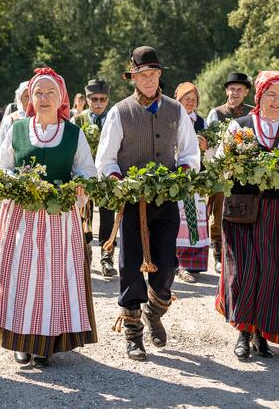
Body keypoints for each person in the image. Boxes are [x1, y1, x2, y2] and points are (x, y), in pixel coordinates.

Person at [95, 46, 200, 361]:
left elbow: (190, 152)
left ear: (159, 76)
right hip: (130, 202)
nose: (149, 79)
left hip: (165, 199)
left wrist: (181, 173)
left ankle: (153, 311)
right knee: (129, 267)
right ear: (133, 77)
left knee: (167, 265)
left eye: (154, 74)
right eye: (143, 75)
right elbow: (106, 159)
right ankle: (133, 335)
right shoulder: (119, 112)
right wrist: (118, 181)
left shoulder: (175, 110)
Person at [0, 67, 97, 367]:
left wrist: (71, 191)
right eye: (38, 92)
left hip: (59, 221)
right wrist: (20, 185)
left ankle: (44, 345)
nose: (44, 98)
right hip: (22, 219)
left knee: (53, 279)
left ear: (61, 97)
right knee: (19, 277)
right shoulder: (18, 129)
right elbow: (1, 167)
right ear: (30, 98)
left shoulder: (73, 134)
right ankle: (19, 342)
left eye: (50, 92)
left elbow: (87, 173)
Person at [215, 70, 279, 361]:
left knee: (272, 271)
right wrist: (239, 168)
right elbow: (222, 163)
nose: (277, 100)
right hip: (244, 210)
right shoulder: (240, 127)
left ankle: (261, 333)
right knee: (243, 270)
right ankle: (243, 332)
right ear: (259, 96)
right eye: (271, 94)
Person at [205, 72, 254, 274]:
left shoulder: (253, 113)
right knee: (219, 211)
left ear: (246, 92)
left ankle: (242, 252)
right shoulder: (216, 113)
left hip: (245, 171)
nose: (235, 93)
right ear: (226, 91)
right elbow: (210, 144)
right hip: (222, 170)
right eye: (232, 89)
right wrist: (217, 167)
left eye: (239, 89)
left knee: (245, 209)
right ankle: (218, 254)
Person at [72, 78, 117, 277]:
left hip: (107, 175)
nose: (99, 103)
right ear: (88, 99)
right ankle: (85, 250)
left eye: (103, 99)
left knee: (108, 215)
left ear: (107, 100)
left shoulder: (114, 118)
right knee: (84, 213)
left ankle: (107, 256)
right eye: (94, 99)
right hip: (84, 173)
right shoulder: (78, 119)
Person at [173, 82, 210, 283]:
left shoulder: (201, 122)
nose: (191, 101)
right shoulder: (173, 118)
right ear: (178, 100)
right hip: (177, 177)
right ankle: (178, 263)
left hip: (196, 178)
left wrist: (205, 147)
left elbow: (211, 152)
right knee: (178, 221)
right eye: (187, 98)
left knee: (195, 218)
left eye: (194, 98)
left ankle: (194, 263)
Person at [0, 81, 30, 149]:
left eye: (32, 95)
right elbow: (1, 145)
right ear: (20, 98)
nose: (30, 100)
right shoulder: (11, 119)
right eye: (26, 96)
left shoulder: (43, 118)